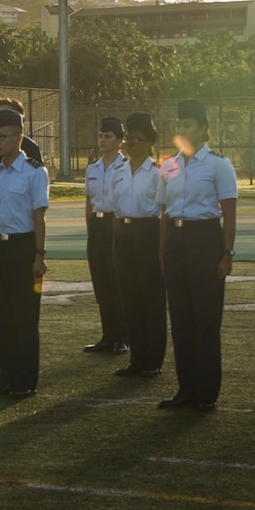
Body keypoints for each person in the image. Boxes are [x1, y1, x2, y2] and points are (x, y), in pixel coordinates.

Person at [158, 99, 238, 412]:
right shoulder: (169, 165)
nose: (181, 129)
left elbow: (229, 214)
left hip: (205, 238)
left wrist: (227, 253)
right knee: (180, 318)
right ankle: (186, 388)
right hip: (176, 240)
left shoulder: (219, 165)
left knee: (205, 319)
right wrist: (163, 253)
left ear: (203, 129)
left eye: (188, 124)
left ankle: (206, 392)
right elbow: (164, 213)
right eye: (179, 124)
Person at [0, 107, 49, 398]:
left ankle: (25, 381)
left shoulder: (34, 172)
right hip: (2, 249)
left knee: (25, 318)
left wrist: (39, 254)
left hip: (24, 249)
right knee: (4, 319)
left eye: (3, 136)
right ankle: (7, 378)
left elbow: (39, 217)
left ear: (19, 137)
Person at [112, 111, 169, 378]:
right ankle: (136, 358)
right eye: (127, 138)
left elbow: (164, 211)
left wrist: (161, 249)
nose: (128, 143)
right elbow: (116, 210)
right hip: (124, 234)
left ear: (149, 142)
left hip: (149, 232)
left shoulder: (158, 172)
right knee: (129, 298)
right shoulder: (119, 171)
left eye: (135, 138)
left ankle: (153, 360)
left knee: (151, 299)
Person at [80, 117, 128, 355]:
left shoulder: (126, 167)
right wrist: (90, 228)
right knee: (101, 283)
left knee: (117, 281)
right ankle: (108, 335)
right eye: (100, 136)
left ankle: (122, 337)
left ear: (120, 141)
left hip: (116, 224)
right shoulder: (93, 168)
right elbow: (89, 201)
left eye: (108, 136)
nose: (102, 140)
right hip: (98, 226)